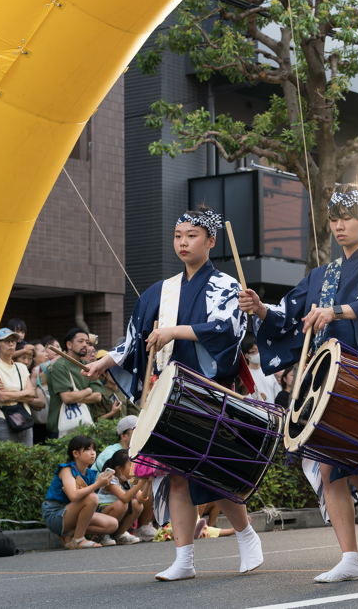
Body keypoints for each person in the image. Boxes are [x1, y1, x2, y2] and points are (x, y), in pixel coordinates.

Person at [83, 205, 262, 581]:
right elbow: (135, 339)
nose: (183, 242)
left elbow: (229, 330)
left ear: (211, 241)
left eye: (192, 236)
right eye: (178, 236)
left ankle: (246, 535)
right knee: (177, 475)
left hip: (208, 391)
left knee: (212, 472)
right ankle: (184, 559)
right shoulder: (161, 291)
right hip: (169, 395)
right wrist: (105, 362)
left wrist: (174, 331)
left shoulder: (225, 285)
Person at [240, 184, 358, 584]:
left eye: (347, 218)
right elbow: (288, 313)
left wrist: (334, 311)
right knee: (330, 468)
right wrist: (259, 308)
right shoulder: (321, 274)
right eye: (334, 219)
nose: (339, 225)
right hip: (323, 381)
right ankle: (350, 557)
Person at [41, 435, 118, 549]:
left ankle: (70, 533)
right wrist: (97, 484)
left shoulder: (90, 473)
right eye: (88, 449)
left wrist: (101, 484)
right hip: (56, 515)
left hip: (73, 513)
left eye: (94, 449)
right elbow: (73, 496)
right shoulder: (66, 469)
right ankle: (78, 539)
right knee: (92, 498)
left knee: (112, 524)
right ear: (75, 453)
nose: (93, 453)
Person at [0, 327, 44, 445]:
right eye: (6, 341)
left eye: (13, 341)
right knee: (5, 456)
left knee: (27, 455)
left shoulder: (22, 367)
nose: (11, 343)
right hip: (2, 420)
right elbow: (1, 397)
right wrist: (25, 392)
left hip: (24, 419)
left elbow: (31, 395)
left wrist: (9, 394)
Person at [47, 329, 101, 438]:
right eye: (80, 341)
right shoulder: (59, 365)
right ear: (69, 344)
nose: (85, 345)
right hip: (61, 427)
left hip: (85, 423)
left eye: (87, 342)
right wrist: (88, 390)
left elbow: (97, 396)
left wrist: (74, 396)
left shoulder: (87, 365)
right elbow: (67, 398)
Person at [96, 449, 144, 545]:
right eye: (131, 465)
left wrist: (147, 482)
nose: (134, 468)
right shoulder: (110, 478)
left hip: (116, 515)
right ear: (119, 468)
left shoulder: (129, 480)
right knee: (122, 504)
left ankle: (119, 535)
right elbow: (125, 498)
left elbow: (140, 499)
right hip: (100, 515)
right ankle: (102, 535)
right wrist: (140, 483)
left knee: (138, 505)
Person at [242, 336, 279, 402]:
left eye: (259, 350)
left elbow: (278, 394)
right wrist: (258, 399)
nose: (258, 353)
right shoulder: (244, 375)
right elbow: (240, 398)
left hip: (272, 408)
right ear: (247, 355)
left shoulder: (268, 372)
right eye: (254, 351)